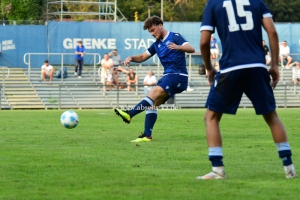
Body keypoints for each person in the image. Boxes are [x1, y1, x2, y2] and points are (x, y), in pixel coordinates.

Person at [198, 0, 297, 179]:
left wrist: (209, 67)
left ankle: (218, 170)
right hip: (257, 66)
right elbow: (272, 32)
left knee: (211, 117)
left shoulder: (213, 3)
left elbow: (204, 42)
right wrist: (275, 65)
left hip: (230, 67)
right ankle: (289, 168)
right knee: (271, 116)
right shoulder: (257, 1)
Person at [114, 15, 195, 142]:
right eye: (150, 31)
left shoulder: (175, 37)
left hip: (178, 76)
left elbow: (191, 48)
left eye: (153, 30)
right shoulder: (156, 45)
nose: (152, 33)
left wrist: (178, 47)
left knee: (153, 93)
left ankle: (130, 114)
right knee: (152, 105)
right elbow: (142, 57)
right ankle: (147, 135)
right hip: (168, 76)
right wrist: (131, 58)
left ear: (160, 26)